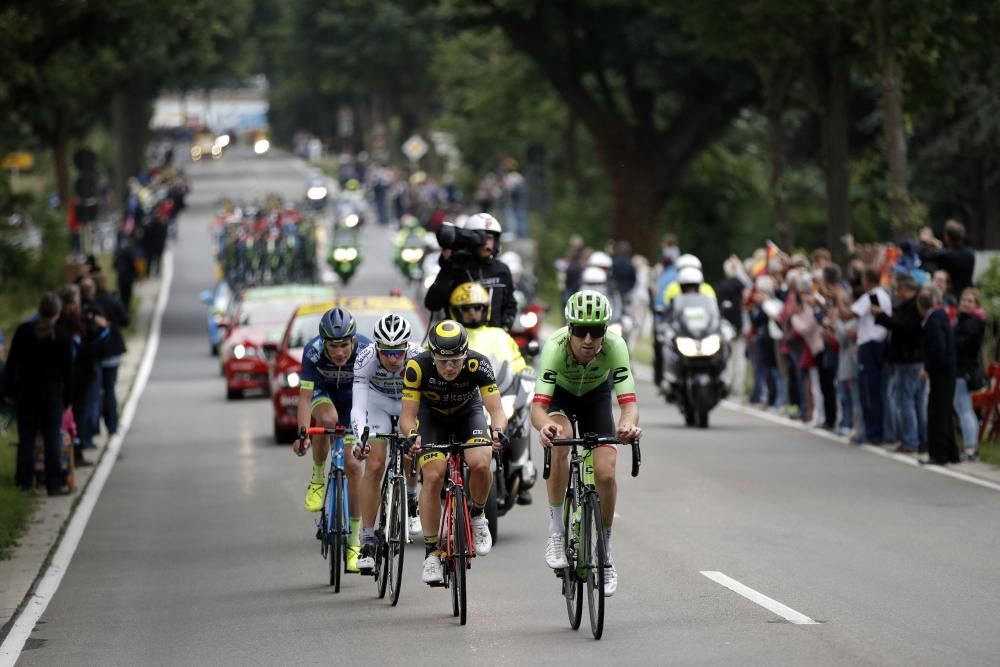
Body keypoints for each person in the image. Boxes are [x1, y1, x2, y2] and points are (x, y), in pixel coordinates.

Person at [531, 291, 642, 597]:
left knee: (605, 473)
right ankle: (556, 529)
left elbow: (629, 402)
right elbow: (537, 408)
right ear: (569, 329)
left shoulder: (616, 347)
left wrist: (627, 424)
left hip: (595, 397)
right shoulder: (554, 347)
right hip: (560, 399)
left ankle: (605, 552)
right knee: (561, 441)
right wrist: (545, 427)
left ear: (606, 331)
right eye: (580, 330)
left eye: (597, 331)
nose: (589, 339)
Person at [400, 320, 507, 585]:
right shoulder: (417, 366)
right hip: (431, 418)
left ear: (466, 355)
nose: (449, 367)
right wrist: (412, 436)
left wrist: (497, 431)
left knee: (481, 462)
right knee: (434, 477)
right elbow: (407, 417)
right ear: (432, 355)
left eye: (456, 361)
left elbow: (496, 411)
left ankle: (478, 515)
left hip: (467, 414)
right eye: (443, 361)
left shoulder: (478, 364)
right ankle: (431, 553)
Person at [292, 308, 371, 572]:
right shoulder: (312, 352)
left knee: (352, 466)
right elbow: (304, 399)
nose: (339, 352)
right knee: (326, 420)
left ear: (353, 341)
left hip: (353, 401)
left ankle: (354, 543)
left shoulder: (366, 350)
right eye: (333, 346)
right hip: (324, 397)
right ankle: (317, 478)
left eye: (345, 346)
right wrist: (302, 433)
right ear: (323, 342)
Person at [350, 314, 423, 573]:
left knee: (412, 449)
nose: (393, 359)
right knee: (374, 464)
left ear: (406, 347)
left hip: (408, 403)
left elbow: (426, 403)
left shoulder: (419, 357)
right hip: (377, 404)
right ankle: (367, 540)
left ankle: (412, 499)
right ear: (377, 348)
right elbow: (358, 408)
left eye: (398, 352)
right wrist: (360, 439)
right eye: (387, 353)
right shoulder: (365, 359)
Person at [3, 293, 75, 495]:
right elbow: (68, 372)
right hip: (53, 394)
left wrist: (9, 390)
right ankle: (53, 483)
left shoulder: (24, 332)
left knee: (26, 438)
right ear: (58, 312)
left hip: (27, 392)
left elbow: (12, 364)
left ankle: (24, 481)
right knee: (52, 438)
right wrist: (68, 399)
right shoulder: (62, 336)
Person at [423, 213, 517, 330]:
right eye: (480, 238)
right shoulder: (455, 268)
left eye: (489, 238)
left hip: (493, 342)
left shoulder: (502, 270)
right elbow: (432, 304)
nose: (485, 243)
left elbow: (510, 305)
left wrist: (504, 330)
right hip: (460, 342)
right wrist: (447, 267)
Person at [872, 273, 924, 453]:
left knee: (907, 402)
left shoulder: (913, 308)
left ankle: (911, 440)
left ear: (908, 290)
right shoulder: (909, 306)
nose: (897, 292)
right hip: (909, 359)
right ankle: (919, 439)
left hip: (908, 359)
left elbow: (903, 327)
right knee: (915, 402)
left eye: (900, 289)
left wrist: (883, 317)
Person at [840, 268, 891, 445]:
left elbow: (846, 315)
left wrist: (839, 299)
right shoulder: (884, 295)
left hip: (870, 345)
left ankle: (873, 432)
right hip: (879, 344)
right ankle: (877, 430)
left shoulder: (870, 296)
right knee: (875, 389)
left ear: (867, 280)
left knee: (869, 391)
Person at [917, 286, 960, 465]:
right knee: (944, 410)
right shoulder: (941, 318)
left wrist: (927, 367)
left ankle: (939, 453)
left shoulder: (933, 321)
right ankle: (951, 452)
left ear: (920, 306)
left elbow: (938, 349)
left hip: (941, 372)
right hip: (947, 371)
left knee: (937, 412)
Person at [953, 288, 986, 461]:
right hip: (959, 369)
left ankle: (971, 447)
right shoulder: (962, 321)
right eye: (963, 300)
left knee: (965, 408)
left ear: (976, 305)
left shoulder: (973, 323)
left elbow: (962, 345)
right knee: (961, 408)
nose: (965, 303)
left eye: (970, 301)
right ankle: (969, 445)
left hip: (964, 370)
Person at [918, 220, 975, 298]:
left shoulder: (946, 255)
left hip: (951, 295)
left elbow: (925, 256)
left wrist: (924, 241)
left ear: (947, 237)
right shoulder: (970, 253)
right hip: (967, 293)